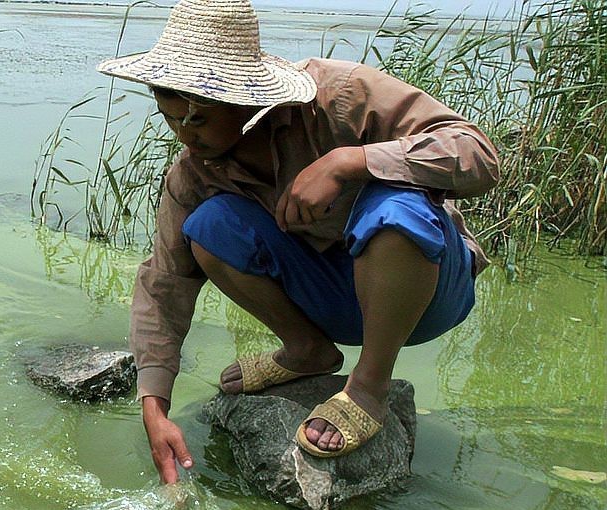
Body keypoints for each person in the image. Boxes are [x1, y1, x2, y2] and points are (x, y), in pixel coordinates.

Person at [96, 0, 500, 483]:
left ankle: (369, 385)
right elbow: (164, 285)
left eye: (198, 120)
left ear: (241, 98)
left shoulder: (340, 96)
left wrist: (350, 162)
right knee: (208, 226)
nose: (184, 135)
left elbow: (478, 155)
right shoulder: (193, 176)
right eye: (170, 117)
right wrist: (155, 408)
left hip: (428, 293)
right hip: (333, 301)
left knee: (394, 208)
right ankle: (307, 349)